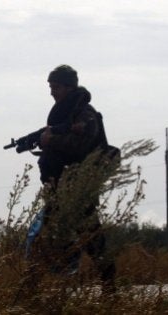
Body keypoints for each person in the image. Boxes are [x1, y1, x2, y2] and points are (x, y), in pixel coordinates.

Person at [35, 65, 116, 290]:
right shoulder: (64, 115)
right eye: (50, 87)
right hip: (60, 187)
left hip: (80, 188)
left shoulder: (86, 114)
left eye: (56, 87)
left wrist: (52, 141)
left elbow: (81, 148)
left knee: (92, 239)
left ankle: (109, 287)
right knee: (47, 235)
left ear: (69, 87)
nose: (52, 92)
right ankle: (40, 288)